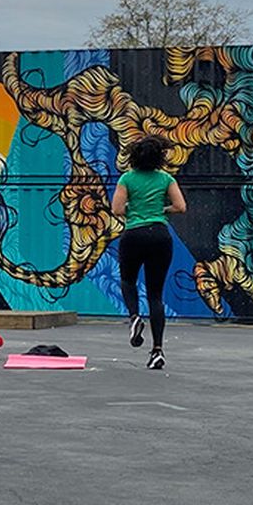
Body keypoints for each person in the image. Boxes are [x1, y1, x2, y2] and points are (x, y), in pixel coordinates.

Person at [110, 136, 187, 370]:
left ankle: (134, 317)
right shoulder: (166, 179)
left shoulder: (127, 179)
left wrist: (134, 208)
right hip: (159, 236)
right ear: (159, 157)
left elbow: (117, 209)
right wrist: (161, 209)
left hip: (134, 234)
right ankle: (157, 351)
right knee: (155, 295)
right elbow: (181, 207)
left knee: (127, 280)